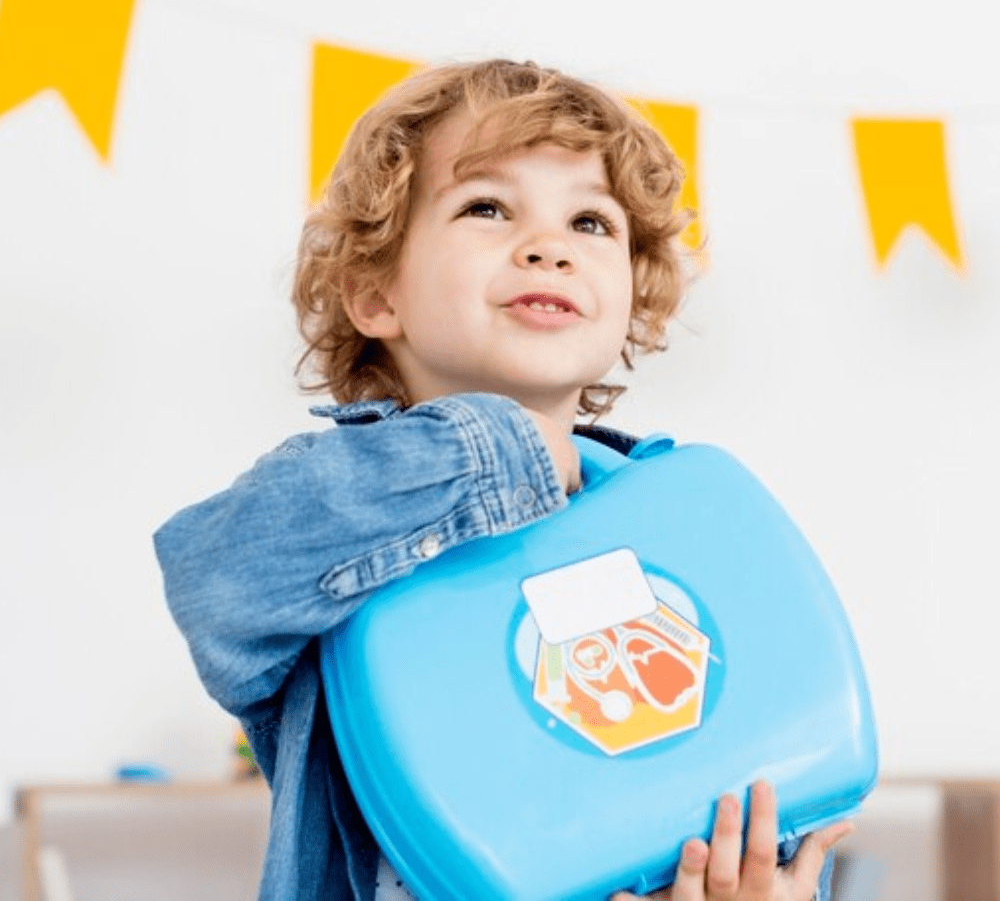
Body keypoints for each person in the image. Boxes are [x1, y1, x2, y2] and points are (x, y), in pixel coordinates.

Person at [154, 59, 851, 901]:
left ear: (632, 298)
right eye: (486, 207)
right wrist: (498, 451)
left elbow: (740, 753)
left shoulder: (680, 520)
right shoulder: (330, 503)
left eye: (591, 222)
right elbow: (215, 579)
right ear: (376, 295)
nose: (549, 247)